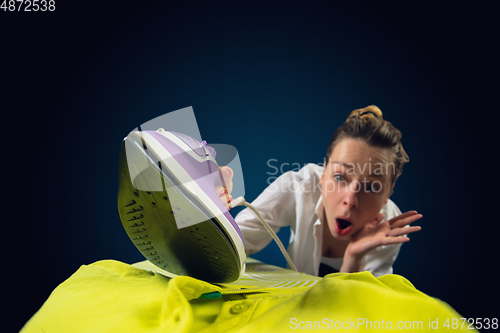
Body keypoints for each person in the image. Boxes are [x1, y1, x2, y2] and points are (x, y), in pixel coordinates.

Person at [220, 105, 422, 277]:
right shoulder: (300, 185)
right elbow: (230, 243)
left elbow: (356, 311)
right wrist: (210, 208)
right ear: (324, 173)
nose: (351, 200)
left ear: (388, 193)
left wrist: (354, 257)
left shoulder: (389, 228)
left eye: (371, 187)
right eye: (340, 177)